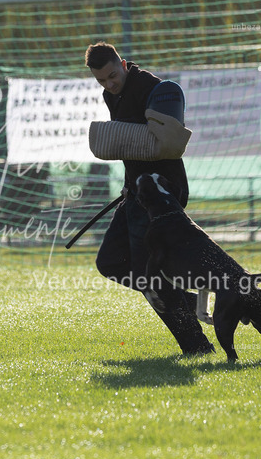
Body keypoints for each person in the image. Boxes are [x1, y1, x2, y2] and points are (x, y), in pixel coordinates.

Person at [85, 41, 215, 356]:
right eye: (102, 80)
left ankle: (197, 347)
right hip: (138, 191)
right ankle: (181, 299)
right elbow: (134, 148)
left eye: (113, 75)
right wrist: (131, 183)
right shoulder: (110, 95)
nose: (109, 84)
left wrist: (142, 184)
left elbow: (165, 145)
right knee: (111, 262)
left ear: (124, 64)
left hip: (163, 192)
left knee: (150, 276)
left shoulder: (156, 89)